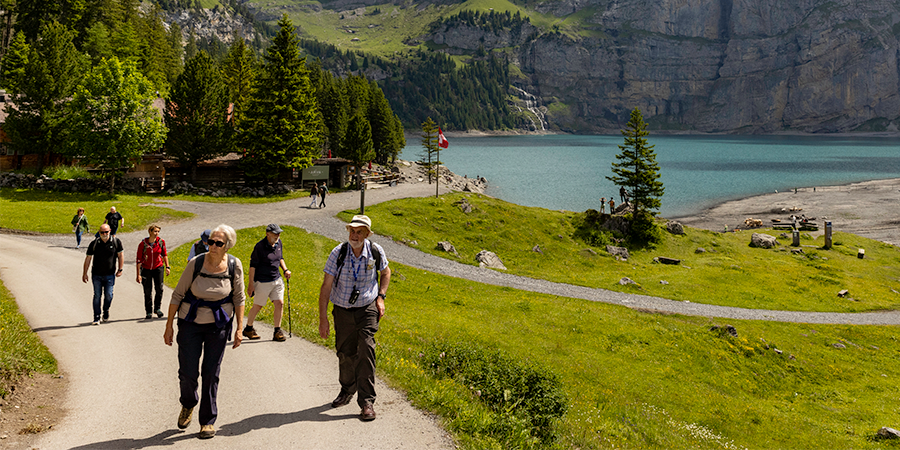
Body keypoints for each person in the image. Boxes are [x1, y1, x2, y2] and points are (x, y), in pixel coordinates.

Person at [163, 224, 245, 440]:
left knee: (211, 372)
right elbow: (177, 294)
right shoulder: (196, 263)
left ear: (227, 246)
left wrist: (239, 328)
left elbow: (239, 297)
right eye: (210, 242)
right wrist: (169, 325)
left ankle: (207, 421)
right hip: (190, 321)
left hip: (218, 324)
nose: (213, 246)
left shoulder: (234, 265)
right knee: (188, 372)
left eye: (218, 243)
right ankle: (188, 403)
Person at [318, 215, 390, 421]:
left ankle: (367, 401)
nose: (354, 235)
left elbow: (386, 273)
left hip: (367, 308)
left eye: (359, 232)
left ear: (367, 234)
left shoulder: (375, 251)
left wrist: (381, 297)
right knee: (345, 353)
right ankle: (347, 389)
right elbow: (326, 287)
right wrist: (323, 318)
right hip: (342, 309)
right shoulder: (338, 253)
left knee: (366, 349)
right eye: (352, 231)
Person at [243, 224, 292, 342]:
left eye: (279, 233)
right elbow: (252, 267)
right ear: (267, 234)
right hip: (262, 281)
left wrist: (285, 269)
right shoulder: (259, 247)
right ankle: (248, 328)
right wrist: (251, 285)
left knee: (280, 303)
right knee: (258, 306)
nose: (277, 236)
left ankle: (277, 331)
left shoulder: (279, 243)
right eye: (275, 234)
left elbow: (280, 258)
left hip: (277, 279)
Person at [82, 224, 124, 325]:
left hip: (110, 274)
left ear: (110, 231)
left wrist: (120, 269)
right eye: (102, 232)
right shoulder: (94, 243)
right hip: (96, 274)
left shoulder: (116, 242)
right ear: (99, 232)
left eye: (106, 232)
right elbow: (88, 258)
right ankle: (96, 316)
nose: (104, 234)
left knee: (109, 295)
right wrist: (84, 273)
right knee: (97, 295)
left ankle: (106, 310)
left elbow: (120, 255)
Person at [137, 224, 171, 320]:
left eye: (158, 232)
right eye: (155, 231)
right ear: (150, 232)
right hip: (146, 269)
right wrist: (138, 274)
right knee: (147, 291)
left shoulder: (161, 242)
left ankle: (157, 308)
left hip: (158, 268)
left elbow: (164, 254)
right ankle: (148, 311)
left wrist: (167, 266)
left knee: (159, 289)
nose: (157, 233)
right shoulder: (143, 244)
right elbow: (138, 260)